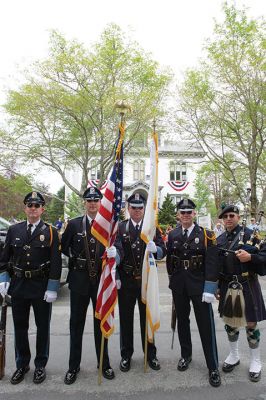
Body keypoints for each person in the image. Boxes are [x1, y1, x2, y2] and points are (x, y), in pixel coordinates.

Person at [0, 191, 62, 384]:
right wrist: (3, 278)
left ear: (42, 209)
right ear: (25, 208)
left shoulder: (50, 231)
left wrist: (52, 286)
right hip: (19, 286)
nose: (33, 209)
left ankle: (40, 365)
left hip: (41, 285)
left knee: (43, 327)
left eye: (37, 206)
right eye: (30, 205)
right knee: (20, 327)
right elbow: (5, 258)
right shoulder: (14, 230)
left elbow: (56, 262)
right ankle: (22, 364)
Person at [61, 187, 115, 385]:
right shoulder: (74, 224)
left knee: (100, 325)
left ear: (101, 203)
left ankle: (104, 363)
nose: (92, 203)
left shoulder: (108, 225)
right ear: (84, 203)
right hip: (79, 280)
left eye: (96, 200)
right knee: (76, 324)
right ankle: (73, 366)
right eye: (89, 200)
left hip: (101, 281)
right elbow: (64, 247)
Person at [166, 198, 221, 387]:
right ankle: (186, 355)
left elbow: (212, 264)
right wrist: (172, 283)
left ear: (194, 214)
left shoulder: (207, 235)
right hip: (179, 286)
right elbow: (170, 263)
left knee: (206, 326)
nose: (186, 215)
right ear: (178, 215)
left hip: (200, 288)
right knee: (182, 323)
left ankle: (213, 366)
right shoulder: (172, 235)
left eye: (189, 212)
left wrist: (210, 288)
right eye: (183, 212)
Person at [114, 192, 166, 372]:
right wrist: (116, 274)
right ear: (128, 209)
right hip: (127, 281)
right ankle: (126, 355)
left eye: (140, 208)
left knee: (147, 318)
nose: (137, 211)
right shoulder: (120, 228)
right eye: (133, 208)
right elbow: (119, 251)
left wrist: (157, 248)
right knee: (126, 321)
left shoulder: (151, 227)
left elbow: (163, 250)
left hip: (146, 281)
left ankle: (151, 354)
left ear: (144, 209)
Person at [217, 204, 266, 382]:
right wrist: (215, 287)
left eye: (232, 215)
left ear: (238, 217)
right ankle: (234, 355)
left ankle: (255, 361)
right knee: (230, 323)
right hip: (227, 286)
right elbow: (216, 266)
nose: (228, 219)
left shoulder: (250, 235)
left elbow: (265, 255)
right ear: (222, 220)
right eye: (225, 216)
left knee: (251, 323)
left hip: (247, 284)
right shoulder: (220, 239)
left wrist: (251, 257)